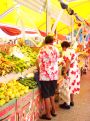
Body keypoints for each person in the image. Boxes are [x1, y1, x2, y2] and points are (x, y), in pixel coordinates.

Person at [37, 35, 59, 120]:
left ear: (45, 41)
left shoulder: (42, 49)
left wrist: (39, 70)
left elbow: (38, 61)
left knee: (46, 95)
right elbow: (57, 60)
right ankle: (53, 110)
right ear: (52, 41)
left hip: (45, 75)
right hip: (54, 74)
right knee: (52, 93)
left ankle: (48, 114)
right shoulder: (56, 49)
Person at [59, 41, 80, 109]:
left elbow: (68, 62)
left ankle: (67, 104)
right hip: (75, 71)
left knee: (66, 87)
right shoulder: (73, 51)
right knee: (72, 86)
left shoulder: (67, 52)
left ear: (64, 47)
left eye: (62, 48)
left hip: (69, 71)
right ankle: (71, 101)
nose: (62, 49)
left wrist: (65, 72)